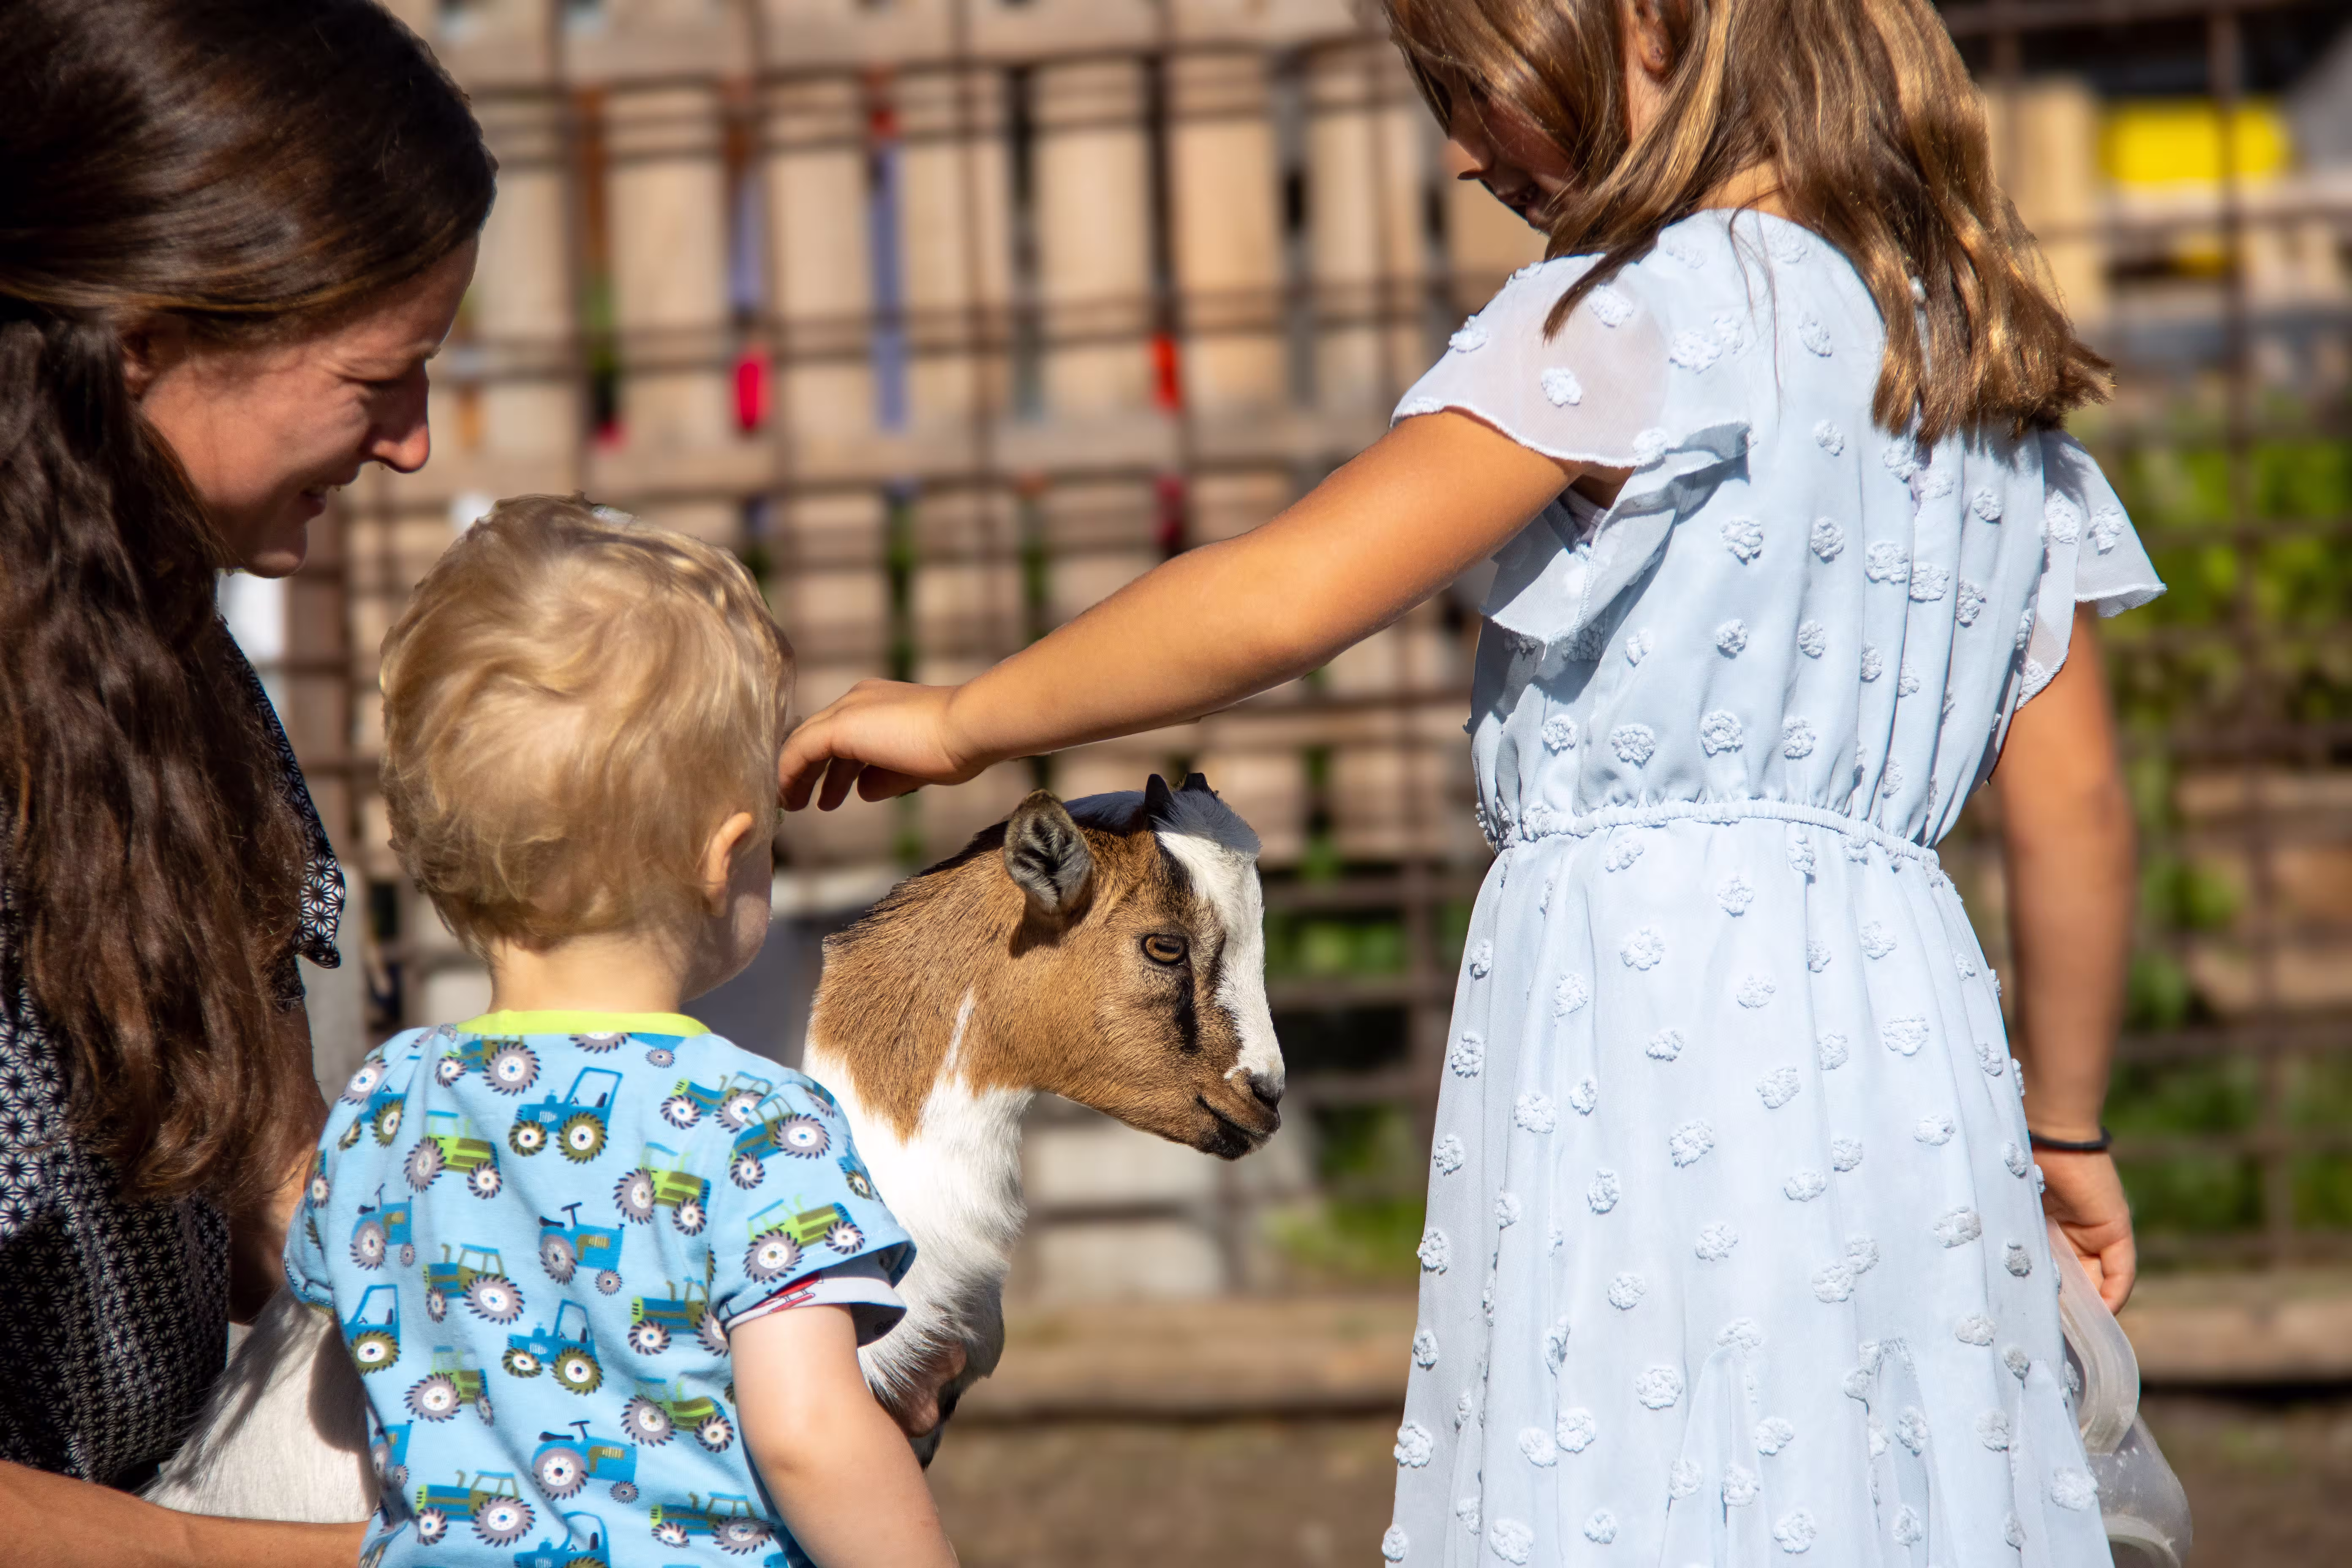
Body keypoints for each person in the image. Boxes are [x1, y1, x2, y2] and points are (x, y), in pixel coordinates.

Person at [778, 0, 2158, 1560]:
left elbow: (1280, 598)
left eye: (1465, 82)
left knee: (1636, 1459)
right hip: (1901, 1048)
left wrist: (965, 717)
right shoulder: (1972, 365)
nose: (1451, 150)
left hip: (1646, 1025)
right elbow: (2074, 812)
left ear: (1647, 22)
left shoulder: (1625, 317)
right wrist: (2063, 1130)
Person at [0, 2, 491, 1562]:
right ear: (143, 345)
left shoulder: (160, 648)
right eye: (376, 380)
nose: (413, 444)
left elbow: (284, 1197)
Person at [296, 496, 957, 1568]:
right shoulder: (756, 1121)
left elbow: (362, 1367)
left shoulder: (384, 1096)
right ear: (725, 852)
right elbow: (808, 1433)